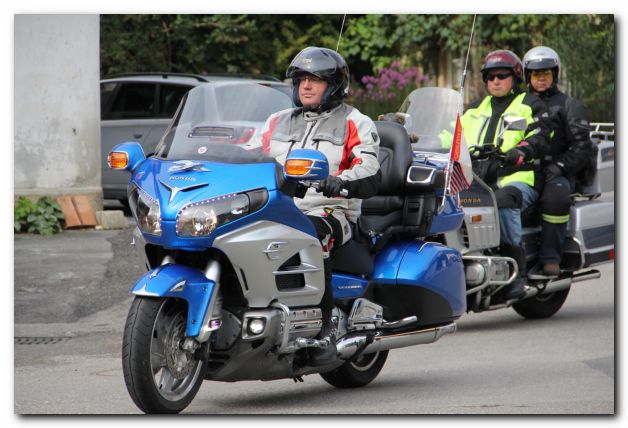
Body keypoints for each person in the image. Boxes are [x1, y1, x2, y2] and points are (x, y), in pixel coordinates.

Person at [259, 46, 381, 365]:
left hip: (330, 211)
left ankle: (325, 328)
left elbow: (370, 169)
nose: (306, 86)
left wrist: (339, 181)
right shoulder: (276, 122)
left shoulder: (356, 122)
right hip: (276, 207)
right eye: (301, 79)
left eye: (316, 79)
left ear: (336, 86)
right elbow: (248, 156)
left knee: (310, 234)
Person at [461, 49, 550, 299]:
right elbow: (450, 135)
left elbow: (543, 135)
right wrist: (420, 139)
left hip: (517, 181)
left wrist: (523, 149)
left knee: (501, 203)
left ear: (515, 77)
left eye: (502, 75)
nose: (496, 81)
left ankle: (518, 273)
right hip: (477, 181)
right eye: (490, 76)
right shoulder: (474, 108)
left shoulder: (529, 104)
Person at [523, 46, 595, 276]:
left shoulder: (569, 105)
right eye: (536, 74)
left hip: (557, 173)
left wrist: (559, 167)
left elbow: (582, 146)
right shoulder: (520, 103)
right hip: (523, 171)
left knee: (556, 197)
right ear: (528, 76)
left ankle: (550, 257)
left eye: (546, 73)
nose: (541, 78)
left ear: (555, 74)